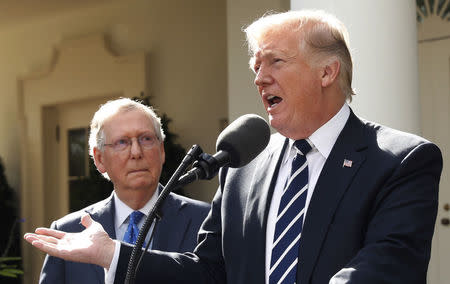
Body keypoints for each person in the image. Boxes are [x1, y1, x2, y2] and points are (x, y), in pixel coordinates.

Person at [25, 10, 442, 284]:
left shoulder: (401, 160)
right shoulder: (244, 169)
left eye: (275, 62)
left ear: (327, 72)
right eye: (255, 66)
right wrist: (113, 253)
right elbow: (206, 273)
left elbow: (387, 269)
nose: (260, 78)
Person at [37, 98, 210, 284]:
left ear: (161, 151)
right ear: (99, 159)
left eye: (146, 139)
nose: (136, 152)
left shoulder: (206, 220)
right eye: (122, 142)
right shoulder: (69, 232)